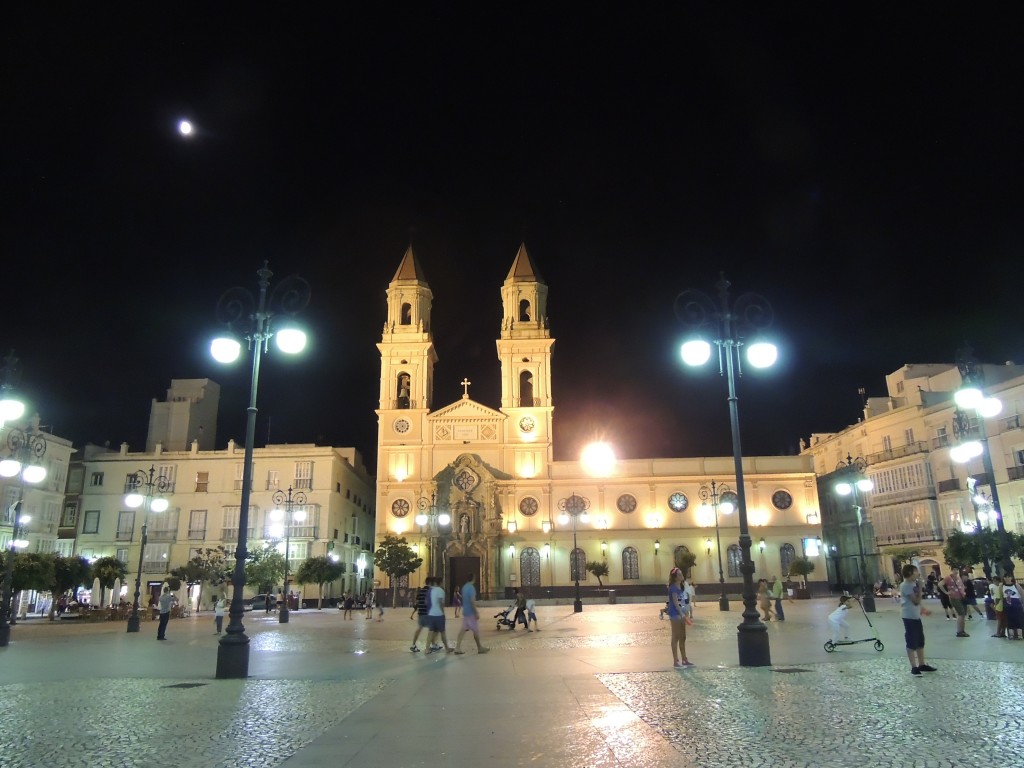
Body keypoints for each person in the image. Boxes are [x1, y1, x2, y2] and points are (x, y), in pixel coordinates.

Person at [900, 564, 936, 676]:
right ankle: (914, 667)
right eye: (916, 571)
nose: (918, 573)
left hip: (915, 616)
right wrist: (920, 588)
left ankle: (922, 664)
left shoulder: (912, 584)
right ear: (910, 573)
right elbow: (915, 601)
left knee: (920, 640)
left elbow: (918, 603)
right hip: (909, 617)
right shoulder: (906, 585)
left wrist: (923, 609)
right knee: (911, 641)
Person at [454, 573, 489, 654]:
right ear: (473, 578)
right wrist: (476, 612)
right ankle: (480, 648)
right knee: (475, 630)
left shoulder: (464, 587)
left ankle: (457, 647)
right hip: (471, 612)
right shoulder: (471, 588)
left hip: (465, 611)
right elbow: (472, 601)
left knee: (463, 630)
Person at [667, 567, 693, 667]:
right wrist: (682, 613)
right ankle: (675, 661)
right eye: (679, 574)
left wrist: (685, 612)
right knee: (676, 636)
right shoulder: (673, 588)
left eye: (681, 573)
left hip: (682, 613)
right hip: (675, 614)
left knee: (683, 636)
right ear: (675, 577)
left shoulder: (682, 586)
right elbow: (675, 603)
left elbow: (682, 601)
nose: (681, 575)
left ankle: (684, 659)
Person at [425, 577, 453, 653]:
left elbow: (427, 602)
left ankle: (427, 649)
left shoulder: (431, 590)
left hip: (431, 614)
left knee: (430, 632)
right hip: (438, 615)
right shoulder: (441, 591)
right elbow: (441, 603)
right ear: (440, 582)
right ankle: (447, 648)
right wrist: (443, 613)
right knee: (442, 632)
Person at [939, 569, 969, 637]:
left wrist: (963, 591)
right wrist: (946, 592)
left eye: (957, 569)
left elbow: (961, 586)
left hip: (961, 597)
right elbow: (940, 584)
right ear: (952, 570)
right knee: (961, 614)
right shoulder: (948, 578)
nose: (956, 571)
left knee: (963, 614)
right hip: (954, 598)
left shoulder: (958, 577)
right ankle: (960, 631)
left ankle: (962, 630)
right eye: (954, 569)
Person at [409, 579, 432, 652]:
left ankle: (413, 645)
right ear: (430, 583)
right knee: (433, 629)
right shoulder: (430, 591)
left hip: (420, 612)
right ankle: (431, 646)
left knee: (419, 628)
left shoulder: (421, 591)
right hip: (428, 613)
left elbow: (417, 601)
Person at [1003, 574, 1023, 640]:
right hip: (1007, 605)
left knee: (1018, 619)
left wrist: (1022, 602)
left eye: (1009, 577)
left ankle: (1019, 635)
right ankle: (1011, 635)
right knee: (1009, 620)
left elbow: (1022, 594)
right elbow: (1001, 595)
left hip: (1016, 604)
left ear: (1011, 577)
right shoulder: (1002, 586)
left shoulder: (1016, 585)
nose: (1007, 578)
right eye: (1005, 577)